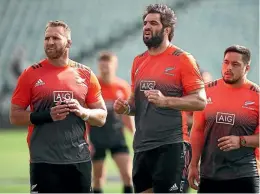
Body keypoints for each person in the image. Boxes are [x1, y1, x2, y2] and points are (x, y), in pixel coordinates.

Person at [113, 4, 207, 193]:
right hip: (141, 146)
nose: (146, 26)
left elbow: (200, 101)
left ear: (167, 29)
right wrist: (125, 107)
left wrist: (166, 101)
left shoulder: (183, 59)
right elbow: (135, 104)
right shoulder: (138, 61)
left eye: (153, 23)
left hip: (171, 145)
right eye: (145, 23)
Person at [9, 20, 107, 193]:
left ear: (68, 42)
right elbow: (15, 116)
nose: (50, 42)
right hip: (43, 162)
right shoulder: (30, 74)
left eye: (56, 37)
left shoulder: (85, 74)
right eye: (47, 38)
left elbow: (101, 117)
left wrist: (83, 112)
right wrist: (47, 115)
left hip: (79, 161)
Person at [188, 45, 259, 193]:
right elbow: (197, 130)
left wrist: (241, 141)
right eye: (226, 62)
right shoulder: (206, 92)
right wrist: (193, 164)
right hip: (209, 175)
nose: (228, 67)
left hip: (244, 175)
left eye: (235, 64)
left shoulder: (257, 96)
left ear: (247, 69)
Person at [88, 51, 135, 193]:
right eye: (102, 66)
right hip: (97, 138)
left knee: (128, 175)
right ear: (98, 66)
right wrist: (86, 139)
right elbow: (84, 115)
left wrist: (134, 133)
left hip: (116, 137)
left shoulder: (122, 87)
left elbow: (127, 114)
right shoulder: (92, 86)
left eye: (108, 66)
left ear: (114, 66)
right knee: (98, 177)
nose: (105, 69)